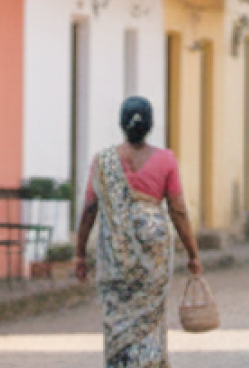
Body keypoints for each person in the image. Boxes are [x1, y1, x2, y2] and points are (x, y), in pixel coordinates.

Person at [76, 96, 203, 367]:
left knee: (117, 313)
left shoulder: (103, 161)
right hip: (154, 254)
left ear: (122, 124)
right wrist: (193, 253)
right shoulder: (166, 159)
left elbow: (89, 208)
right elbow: (178, 210)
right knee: (150, 313)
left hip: (115, 254)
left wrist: (79, 254)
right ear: (150, 125)